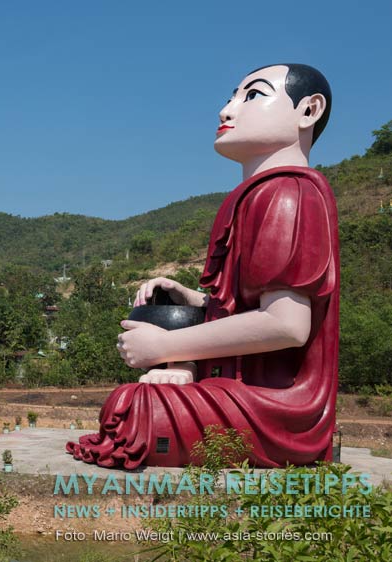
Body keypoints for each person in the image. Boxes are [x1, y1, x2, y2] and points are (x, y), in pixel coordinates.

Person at [68, 64, 339, 469]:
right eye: (231, 98)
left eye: (253, 96)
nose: (227, 110)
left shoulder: (290, 193)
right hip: (237, 388)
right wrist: (194, 300)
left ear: (308, 111)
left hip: (280, 403)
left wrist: (168, 347)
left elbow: (287, 325)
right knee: (137, 402)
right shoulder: (257, 195)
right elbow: (249, 308)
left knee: (133, 409)